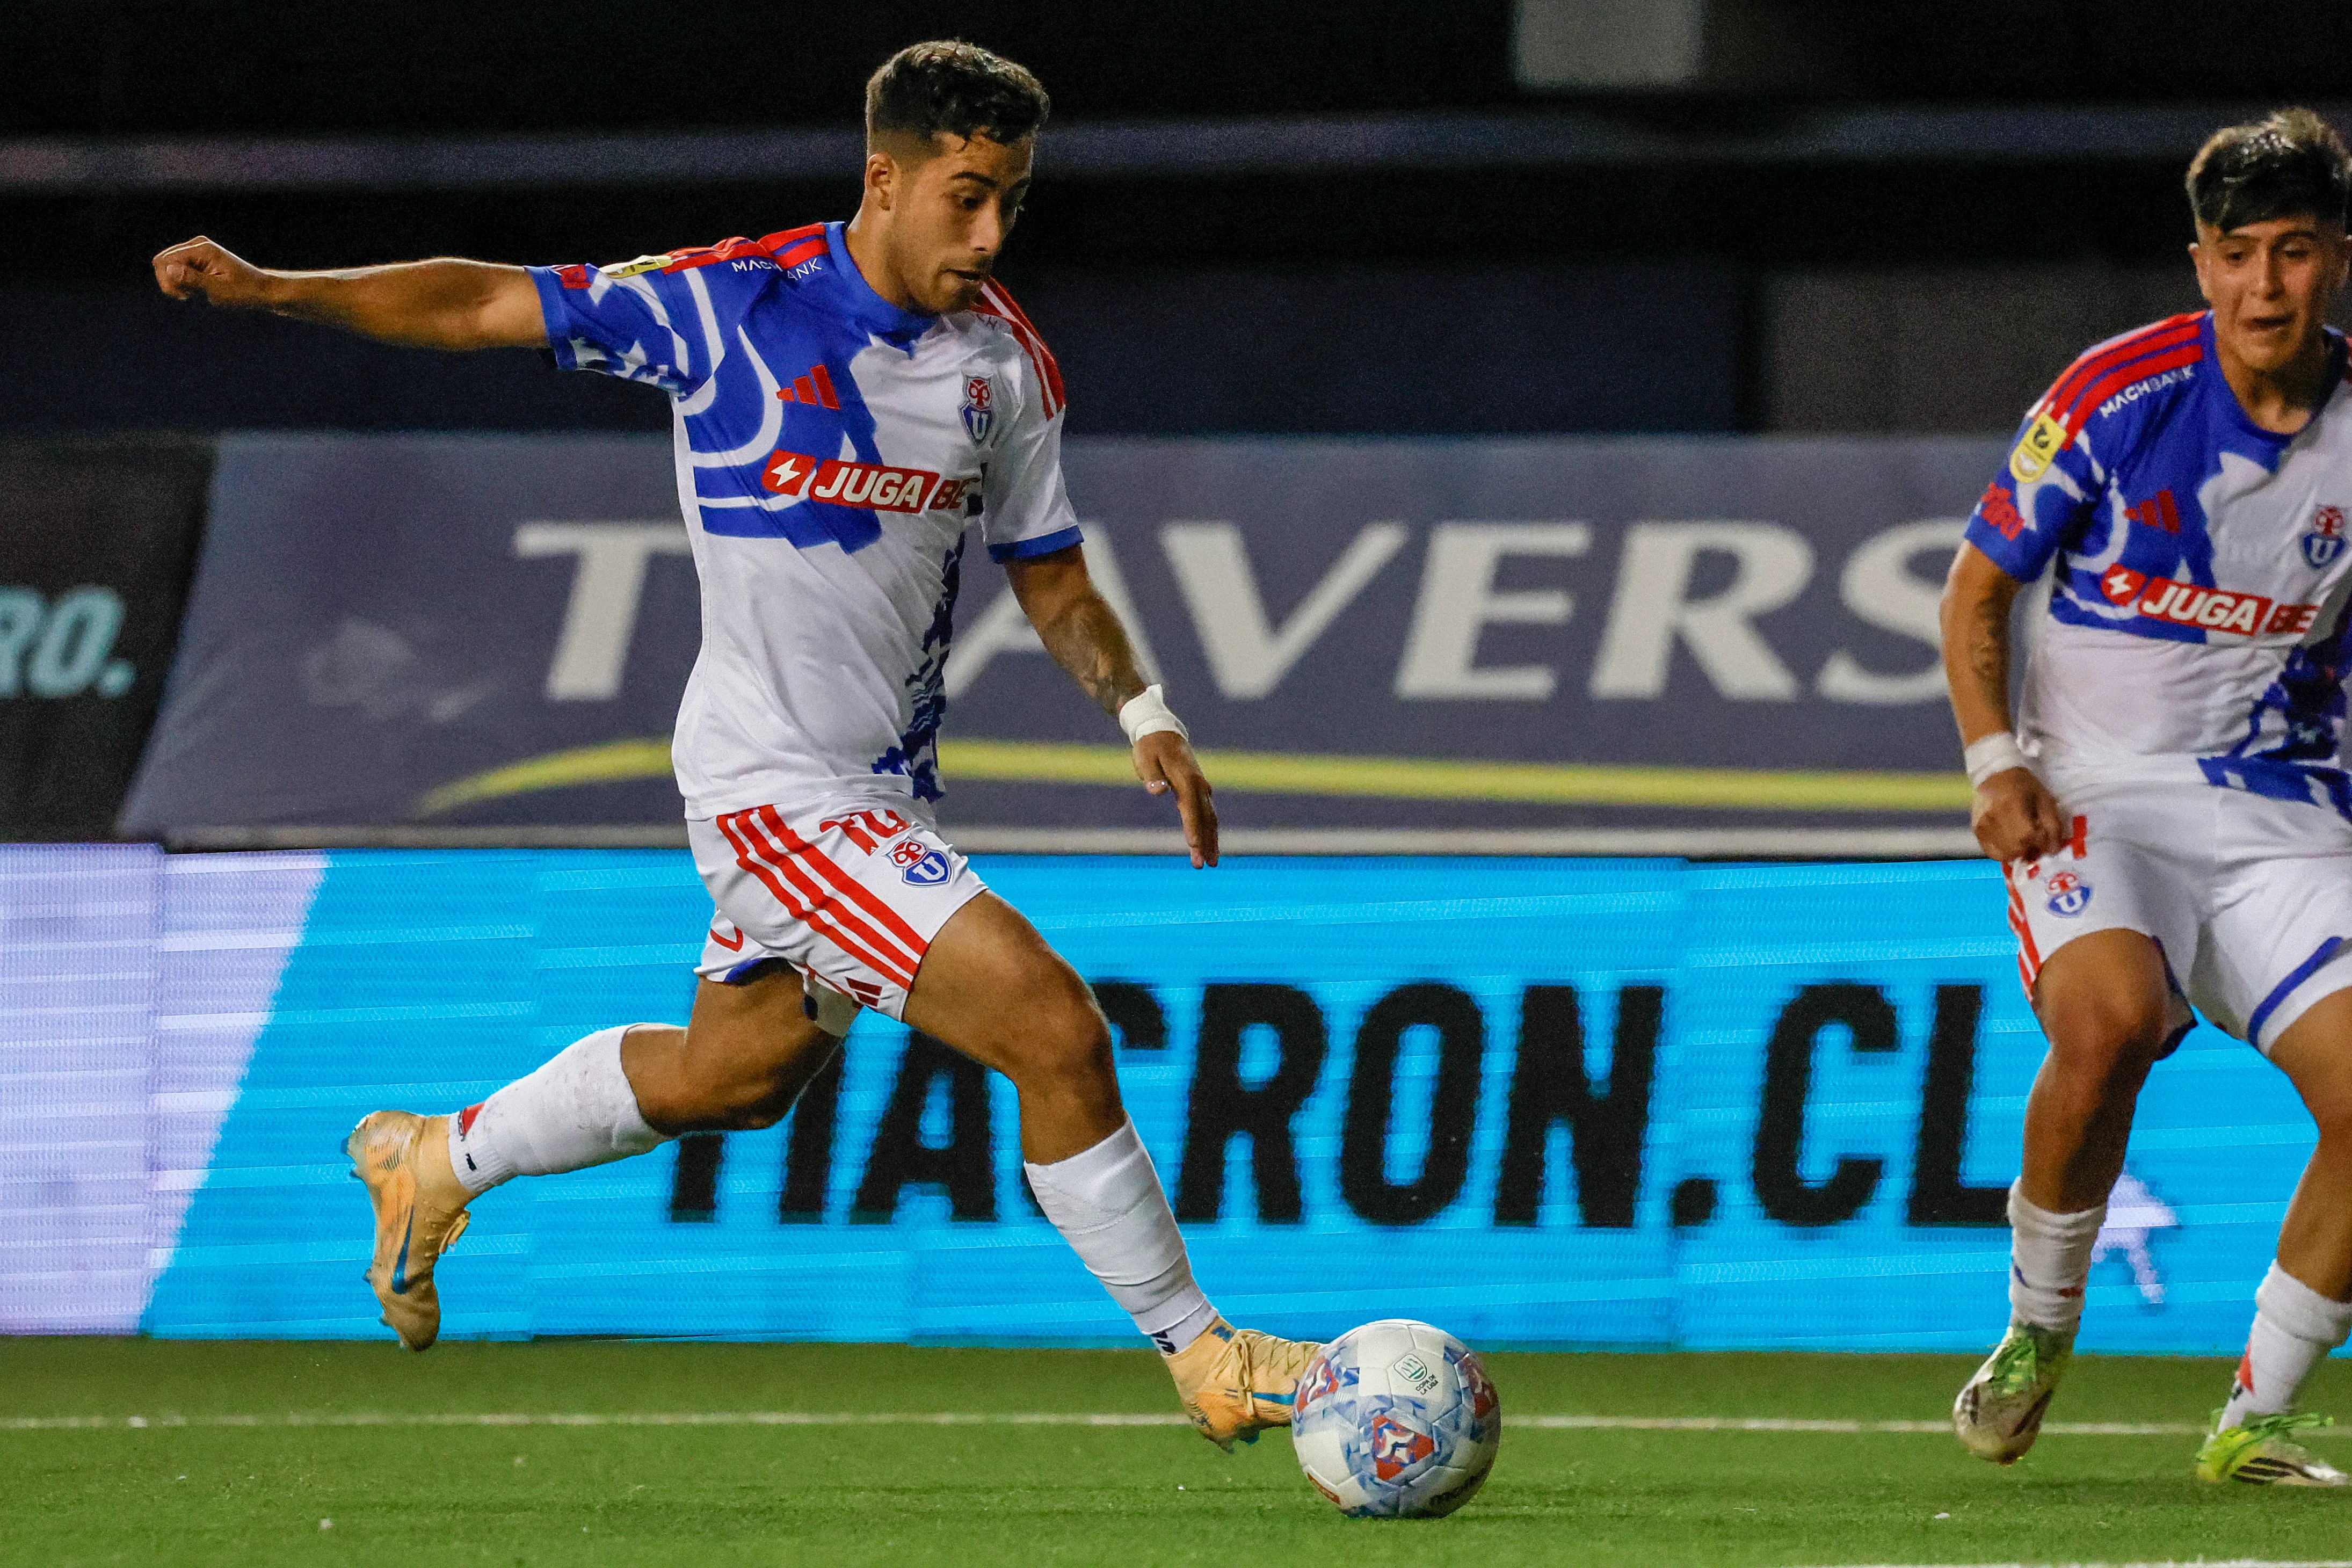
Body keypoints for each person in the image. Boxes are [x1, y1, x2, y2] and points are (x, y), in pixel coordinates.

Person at [149, 39, 1317, 1450]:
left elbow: (1051, 578)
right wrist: (277, 290)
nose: (991, 231)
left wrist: (1148, 716)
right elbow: (476, 307)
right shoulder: (728, 305)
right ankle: (1210, 1358)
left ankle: (436, 1156)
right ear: (883, 178)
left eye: (1011, 198)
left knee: (738, 1077)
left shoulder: (1001, 365)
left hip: (882, 791)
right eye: (965, 196)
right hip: (772, 790)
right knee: (1054, 1028)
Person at [1942, 107, 2352, 1486]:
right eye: (2238, 254)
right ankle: (2037, 1332)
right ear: (2200, 263)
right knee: (2111, 1022)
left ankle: (2260, 1414)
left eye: (2295, 252)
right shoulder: (2119, 394)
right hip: (2096, 798)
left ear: (2337, 260)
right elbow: (1977, 588)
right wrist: (1997, 761)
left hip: (2286, 809)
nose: (2265, 287)